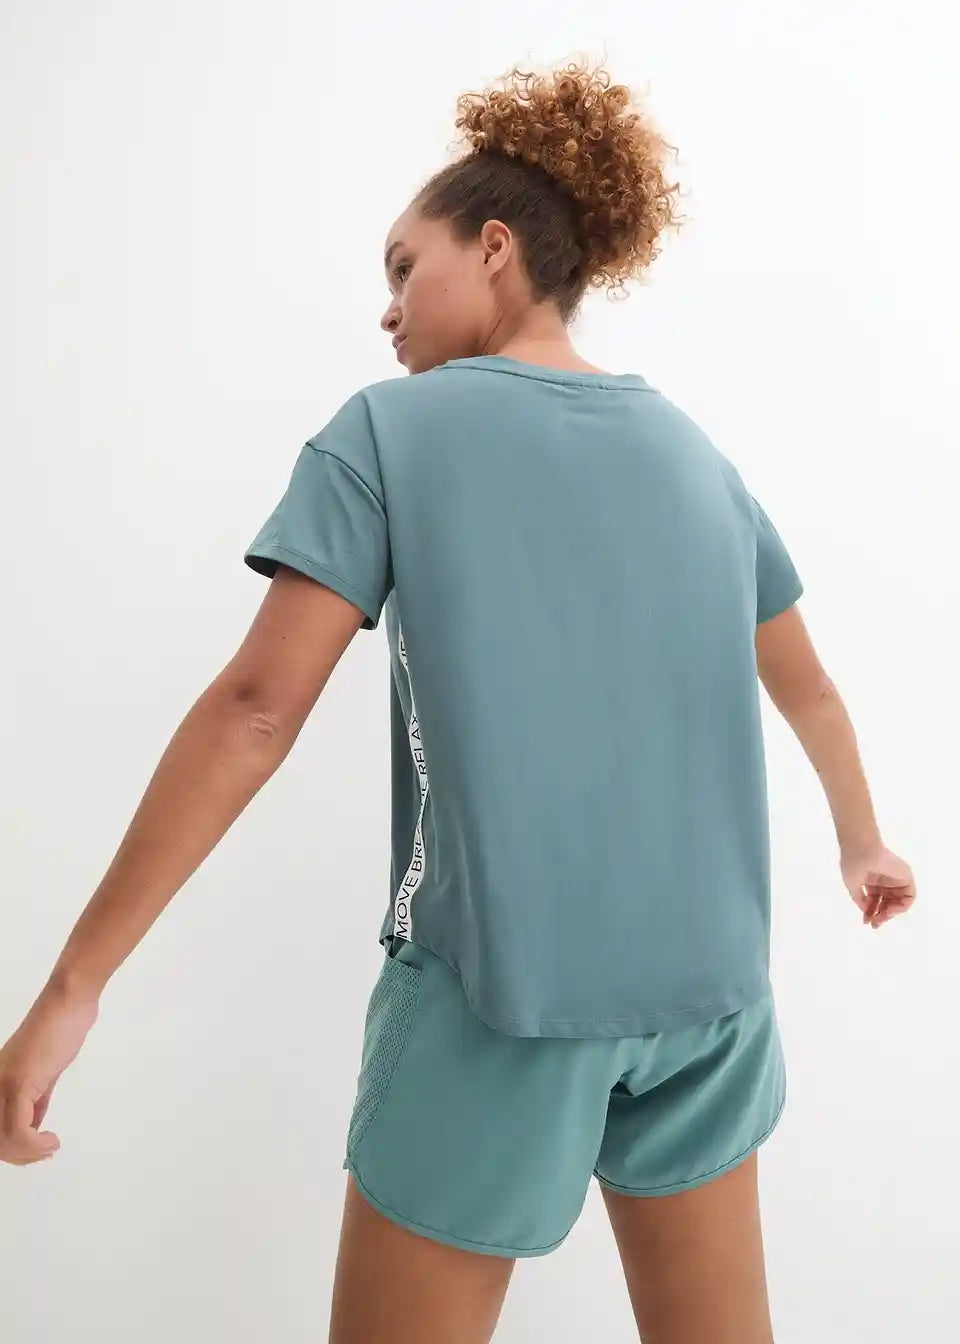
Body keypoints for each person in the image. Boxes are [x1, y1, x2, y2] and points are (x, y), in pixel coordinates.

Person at [0, 56, 915, 1344]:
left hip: (499, 996)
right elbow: (807, 685)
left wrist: (73, 985)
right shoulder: (698, 457)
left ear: (493, 248)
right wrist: (863, 839)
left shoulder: (390, 432)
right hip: (711, 1001)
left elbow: (257, 710)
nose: (386, 310)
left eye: (401, 266)